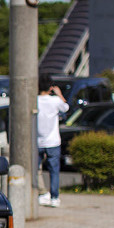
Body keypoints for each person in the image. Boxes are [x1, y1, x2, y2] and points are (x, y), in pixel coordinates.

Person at [37, 74, 69, 207]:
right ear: (51, 87)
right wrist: (59, 94)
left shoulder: (35, 100)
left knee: (36, 170)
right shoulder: (55, 101)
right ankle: (54, 197)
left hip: (37, 141)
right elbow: (66, 108)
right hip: (53, 141)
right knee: (54, 170)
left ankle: (42, 193)